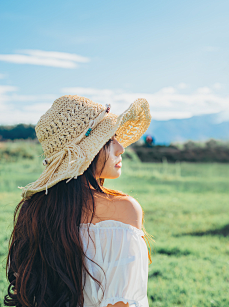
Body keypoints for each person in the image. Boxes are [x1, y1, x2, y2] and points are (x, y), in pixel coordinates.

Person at [4, 95, 152, 307]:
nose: (121, 148)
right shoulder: (124, 211)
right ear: (87, 154)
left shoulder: (33, 210)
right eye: (109, 140)